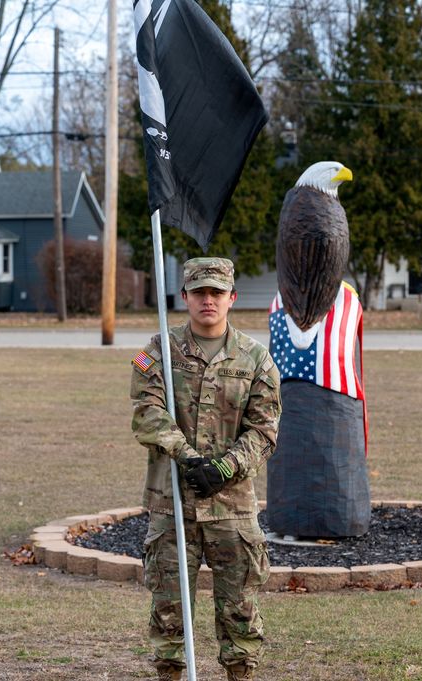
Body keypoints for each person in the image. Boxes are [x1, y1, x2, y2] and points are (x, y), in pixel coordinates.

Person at [130, 257, 282, 681]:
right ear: (185, 297)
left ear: (232, 298)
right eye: (199, 292)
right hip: (172, 504)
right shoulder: (158, 351)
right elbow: (147, 412)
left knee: (240, 616)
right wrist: (188, 456)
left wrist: (223, 467)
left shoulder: (256, 360)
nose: (208, 300)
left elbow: (265, 430)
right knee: (168, 617)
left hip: (231, 509)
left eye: (217, 292)